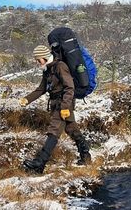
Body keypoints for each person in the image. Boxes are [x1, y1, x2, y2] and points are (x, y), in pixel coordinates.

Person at [20, 45, 92, 174]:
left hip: (64, 104)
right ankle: (86, 156)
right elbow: (41, 89)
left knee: (54, 130)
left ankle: (40, 163)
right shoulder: (47, 69)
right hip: (56, 104)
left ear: (44, 57)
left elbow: (69, 88)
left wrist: (65, 108)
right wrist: (27, 99)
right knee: (71, 129)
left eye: (38, 59)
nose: (37, 62)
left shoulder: (60, 66)